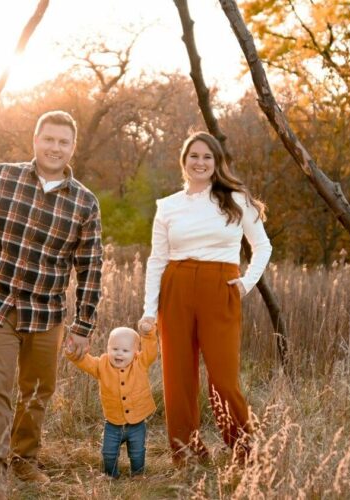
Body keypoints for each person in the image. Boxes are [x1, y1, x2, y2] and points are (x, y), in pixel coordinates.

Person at [0, 111, 103, 495]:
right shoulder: (3, 176)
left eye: (63, 142)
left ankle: (24, 460)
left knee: (36, 393)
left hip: (46, 314)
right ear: (35, 139)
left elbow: (90, 267)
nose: (54, 147)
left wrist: (83, 326)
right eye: (48, 139)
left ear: (72, 147)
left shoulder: (85, 202)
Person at [137, 131, 272, 466]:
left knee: (224, 377)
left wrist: (245, 284)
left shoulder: (236, 199)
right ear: (184, 162)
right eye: (193, 156)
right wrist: (149, 310)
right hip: (176, 286)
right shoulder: (168, 206)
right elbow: (157, 259)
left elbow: (263, 247)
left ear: (216, 162)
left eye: (206, 157)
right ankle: (186, 452)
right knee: (178, 375)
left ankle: (244, 451)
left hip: (220, 287)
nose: (200, 162)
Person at [65, 326, 158, 478]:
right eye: (114, 349)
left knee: (137, 452)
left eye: (125, 351)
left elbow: (151, 352)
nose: (119, 353)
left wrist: (148, 335)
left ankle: (138, 475)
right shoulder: (102, 365)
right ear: (107, 348)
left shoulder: (140, 363)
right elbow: (86, 362)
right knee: (108, 452)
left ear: (135, 353)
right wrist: (73, 353)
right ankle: (111, 476)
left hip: (137, 424)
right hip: (113, 424)